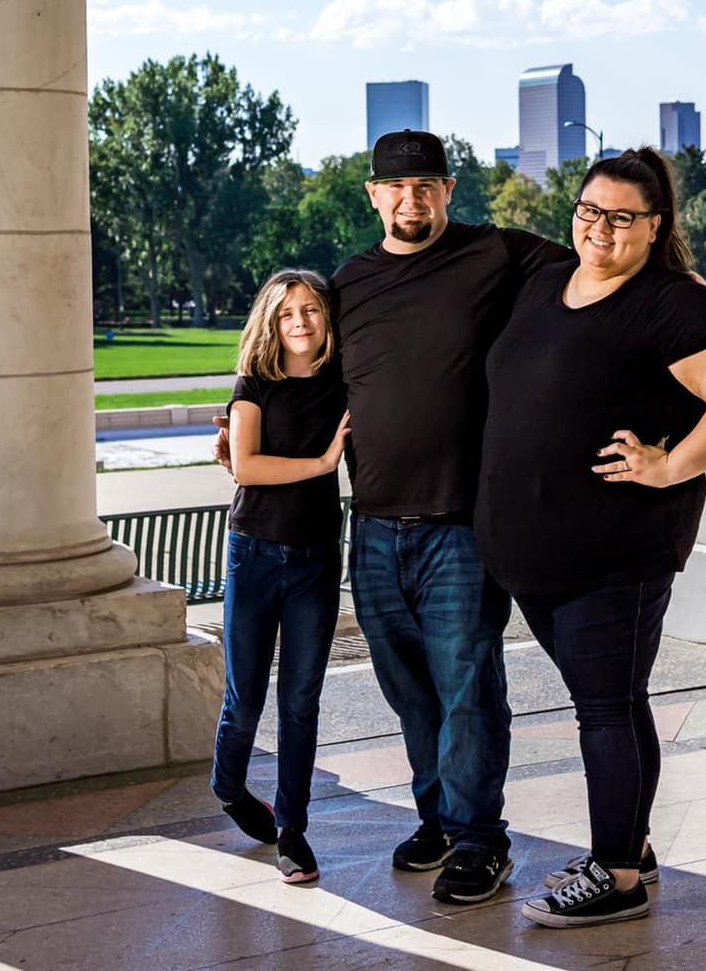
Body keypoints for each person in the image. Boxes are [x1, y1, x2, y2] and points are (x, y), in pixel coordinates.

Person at [217, 128, 572, 905]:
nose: (412, 201)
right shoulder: (349, 284)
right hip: (373, 529)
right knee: (409, 690)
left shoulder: (497, 255)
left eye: (427, 187)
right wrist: (238, 428)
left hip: (459, 528)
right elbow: (299, 370)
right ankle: (438, 818)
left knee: (468, 684)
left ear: (448, 190)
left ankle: (481, 840)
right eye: (396, 188)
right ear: (374, 195)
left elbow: (597, 268)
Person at [476, 148, 706, 929]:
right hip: (533, 557)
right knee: (610, 702)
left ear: (655, 226)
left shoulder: (675, 304)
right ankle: (629, 846)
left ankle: (616, 877)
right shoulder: (545, 281)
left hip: (617, 553)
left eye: (619, 217)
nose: (599, 229)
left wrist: (672, 466)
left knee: (606, 710)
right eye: (587, 210)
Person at [211, 269, 352, 885]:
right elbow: (246, 466)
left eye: (311, 311)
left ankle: (292, 830)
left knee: (300, 699)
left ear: (327, 320)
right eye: (288, 312)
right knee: (245, 697)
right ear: (271, 322)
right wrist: (323, 463)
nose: (300, 322)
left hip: (318, 558)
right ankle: (228, 786)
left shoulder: (344, 385)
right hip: (255, 553)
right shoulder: (254, 384)